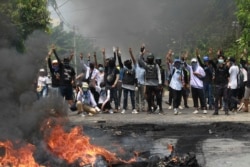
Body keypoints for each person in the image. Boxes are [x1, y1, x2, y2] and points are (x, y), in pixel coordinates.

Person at [138, 45, 162, 114]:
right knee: (148, 97)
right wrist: (142, 52)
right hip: (148, 83)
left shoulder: (156, 65)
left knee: (158, 97)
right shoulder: (146, 64)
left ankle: (160, 108)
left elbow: (159, 73)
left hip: (155, 83)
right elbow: (140, 60)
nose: (150, 59)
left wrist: (160, 82)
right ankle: (149, 109)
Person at [120, 48, 138, 114]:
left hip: (132, 85)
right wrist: (119, 55)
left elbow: (135, 77)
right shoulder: (124, 69)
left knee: (133, 98)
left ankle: (134, 109)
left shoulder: (133, 68)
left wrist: (136, 85)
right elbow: (120, 63)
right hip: (125, 85)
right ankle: (124, 108)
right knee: (125, 98)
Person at [102, 48, 120, 112]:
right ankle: (107, 108)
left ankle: (116, 108)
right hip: (108, 84)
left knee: (115, 97)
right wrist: (103, 54)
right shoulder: (107, 67)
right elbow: (104, 62)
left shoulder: (116, 69)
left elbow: (117, 77)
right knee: (107, 97)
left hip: (113, 85)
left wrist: (114, 84)